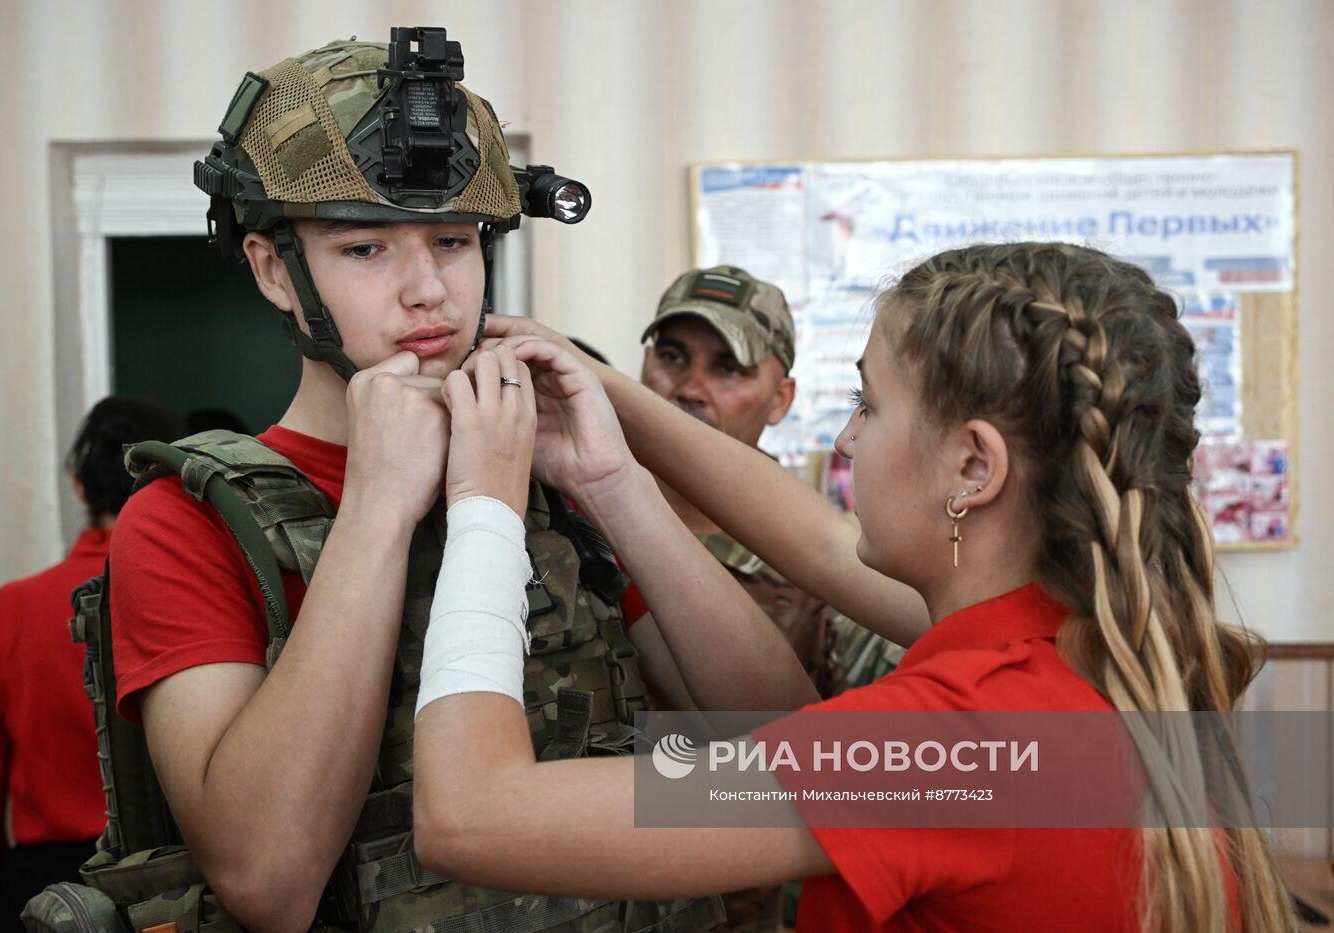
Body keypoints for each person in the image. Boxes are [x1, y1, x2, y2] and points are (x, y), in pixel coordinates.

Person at [100, 28, 783, 932]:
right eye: (365, 249)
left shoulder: (553, 481)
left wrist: (614, 482)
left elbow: (789, 756)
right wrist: (380, 507)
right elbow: (268, 878)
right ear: (274, 269)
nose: (427, 289)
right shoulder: (185, 525)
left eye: (453, 241)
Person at [411, 241, 1297, 932]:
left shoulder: (949, 749)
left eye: (869, 405)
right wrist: (609, 443)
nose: (844, 441)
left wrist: (484, 498)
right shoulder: (1102, 642)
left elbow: (475, 813)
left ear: (972, 465)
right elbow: (826, 549)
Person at [0, 395, 184, 933]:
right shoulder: (207, 599)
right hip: (182, 885)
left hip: (47, 895)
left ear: (78, 487)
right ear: (174, 478)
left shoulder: (13, 611)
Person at [630, 265, 903, 714]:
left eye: (729, 369)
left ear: (780, 399)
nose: (690, 389)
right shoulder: (580, 518)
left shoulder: (821, 564)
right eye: (673, 357)